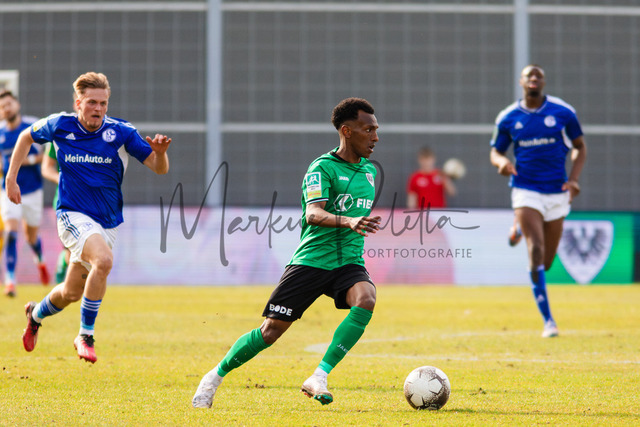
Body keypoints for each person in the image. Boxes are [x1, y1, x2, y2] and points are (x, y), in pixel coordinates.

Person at [192, 97, 381, 408]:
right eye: (368, 130)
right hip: (311, 261)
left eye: (376, 130)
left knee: (366, 299)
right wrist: (348, 220)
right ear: (347, 131)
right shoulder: (321, 168)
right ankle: (213, 377)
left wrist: (354, 225)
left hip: (348, 261)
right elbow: (313, 214)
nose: (375, 137)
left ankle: (319, 376)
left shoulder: (369, 172)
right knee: (270, 332)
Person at [7, 72, 171, 363]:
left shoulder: (121, 132)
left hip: (107, 221)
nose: (98, 108)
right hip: (72, 214)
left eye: (103, 103)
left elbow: (159, 169)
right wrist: (11, 178)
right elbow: (25, 136)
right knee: (103, 261)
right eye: (92, 102)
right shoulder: (60, 124)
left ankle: (35, 314)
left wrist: (160, 154)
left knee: (71, 292)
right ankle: (85, 335)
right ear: (78, 103)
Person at [490, 64, 586, 338]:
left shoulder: (563, 112)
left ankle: (518, 227)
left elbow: (580, 147)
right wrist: (502, 163)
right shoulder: (508, 117)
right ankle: (549, 321)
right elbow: (495, 152)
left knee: (546, 262)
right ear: (521, 82)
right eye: (529, 75)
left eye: (538, 75)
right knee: (535, 251)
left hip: (556, 192)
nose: (534, 78)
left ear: (543, 82)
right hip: (526, 189)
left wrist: (574, 179)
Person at [0, 90, 50, 297]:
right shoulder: (0, 133)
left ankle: (40, 259)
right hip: (8, 190)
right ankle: (10, 281)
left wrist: (27, 160)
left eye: (9, 104)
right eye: (2, 107)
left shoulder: (32, 126)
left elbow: (48, 155)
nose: (6, 109)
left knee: (31, 237)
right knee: (11, 232)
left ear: (17, 105)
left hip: (32, 190)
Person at [41, 142, 70, 284]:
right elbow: (46, 168)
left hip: (93, 202)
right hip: (66, 202)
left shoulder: (98, 134)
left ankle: (62, 265)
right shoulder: (57, 133)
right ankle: (62, 266)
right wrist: (62, 180)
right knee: (72, 250)